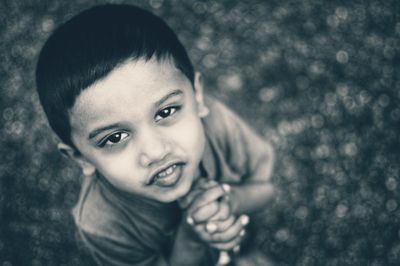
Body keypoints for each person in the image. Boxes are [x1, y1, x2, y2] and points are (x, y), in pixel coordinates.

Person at [35, 4, 275, 266]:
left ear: (197, 97)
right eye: (115, 138)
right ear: (80, 158)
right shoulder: (102, 225)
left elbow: (267, 190)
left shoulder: (216, 123)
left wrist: (231, 201)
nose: (156, 152)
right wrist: (193, 234)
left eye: (166, 111)